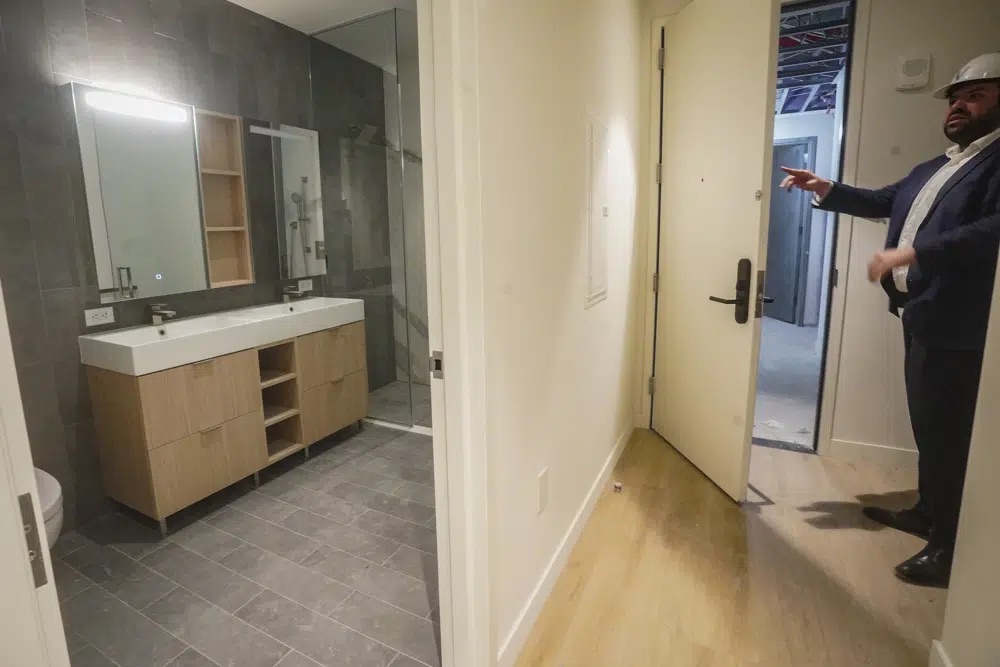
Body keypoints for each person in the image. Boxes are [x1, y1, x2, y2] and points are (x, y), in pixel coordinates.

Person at [780, 52, 1000, 588]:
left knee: (950, 436)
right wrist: (825, 188)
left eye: (974, 95)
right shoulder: (937, 165)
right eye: (953, 98)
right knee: (930, 427)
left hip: (961, 326)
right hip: (920, 316)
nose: (957, 105)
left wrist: (913, 254)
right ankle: (929, 512)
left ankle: (948, 549)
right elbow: (883, 199)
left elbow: (991, 229)